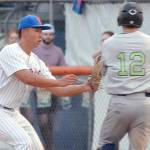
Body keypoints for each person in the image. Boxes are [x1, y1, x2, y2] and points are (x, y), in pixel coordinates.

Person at [0, 15, 93, 150]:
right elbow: (26, 77)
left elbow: (58, 91)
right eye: (37, 30)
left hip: (12, 112)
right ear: (25, 32)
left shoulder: (36, 61)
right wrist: (59, 82)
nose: (41, 34)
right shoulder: (10, 51)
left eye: (41, 31)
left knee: (37, 147)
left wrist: (85, 87)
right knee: (24, 143)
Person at [97, 2, 150, 150]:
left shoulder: (109, 43)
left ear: (120, 18)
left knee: (107, 143)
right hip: (145, 103)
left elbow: (99, 71)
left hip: (120, 102)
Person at [20, 23, 67, 150]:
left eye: (50, 34)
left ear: (54, 36)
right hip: (36, 91)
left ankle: (49, 147)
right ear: (41, 35)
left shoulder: (58, 51)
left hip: (52, 91)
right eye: (45, 34)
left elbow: (64, 68)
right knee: (39, 121)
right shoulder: (34, 50)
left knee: (50, 123)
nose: (48, 37)